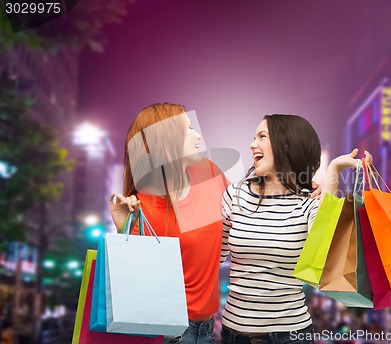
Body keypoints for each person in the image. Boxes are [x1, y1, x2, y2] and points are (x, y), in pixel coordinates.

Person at [219, 114, 372, 344]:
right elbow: (215, 257)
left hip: (290, 336)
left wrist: (334, 170)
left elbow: (325, 248)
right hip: (233, 335)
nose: (252, 144)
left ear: (287, 145)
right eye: (254, 137)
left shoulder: (308, 201)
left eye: (262, 137)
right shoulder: (235, 194)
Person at [110, 103, 231, 344]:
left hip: (206, 328)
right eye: (189, 129)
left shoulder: (210, 173)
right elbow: (132, 281)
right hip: (164, 331)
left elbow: (245, 208)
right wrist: (122, 228)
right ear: (167, 140)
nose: (198, 136)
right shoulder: (141, 207)